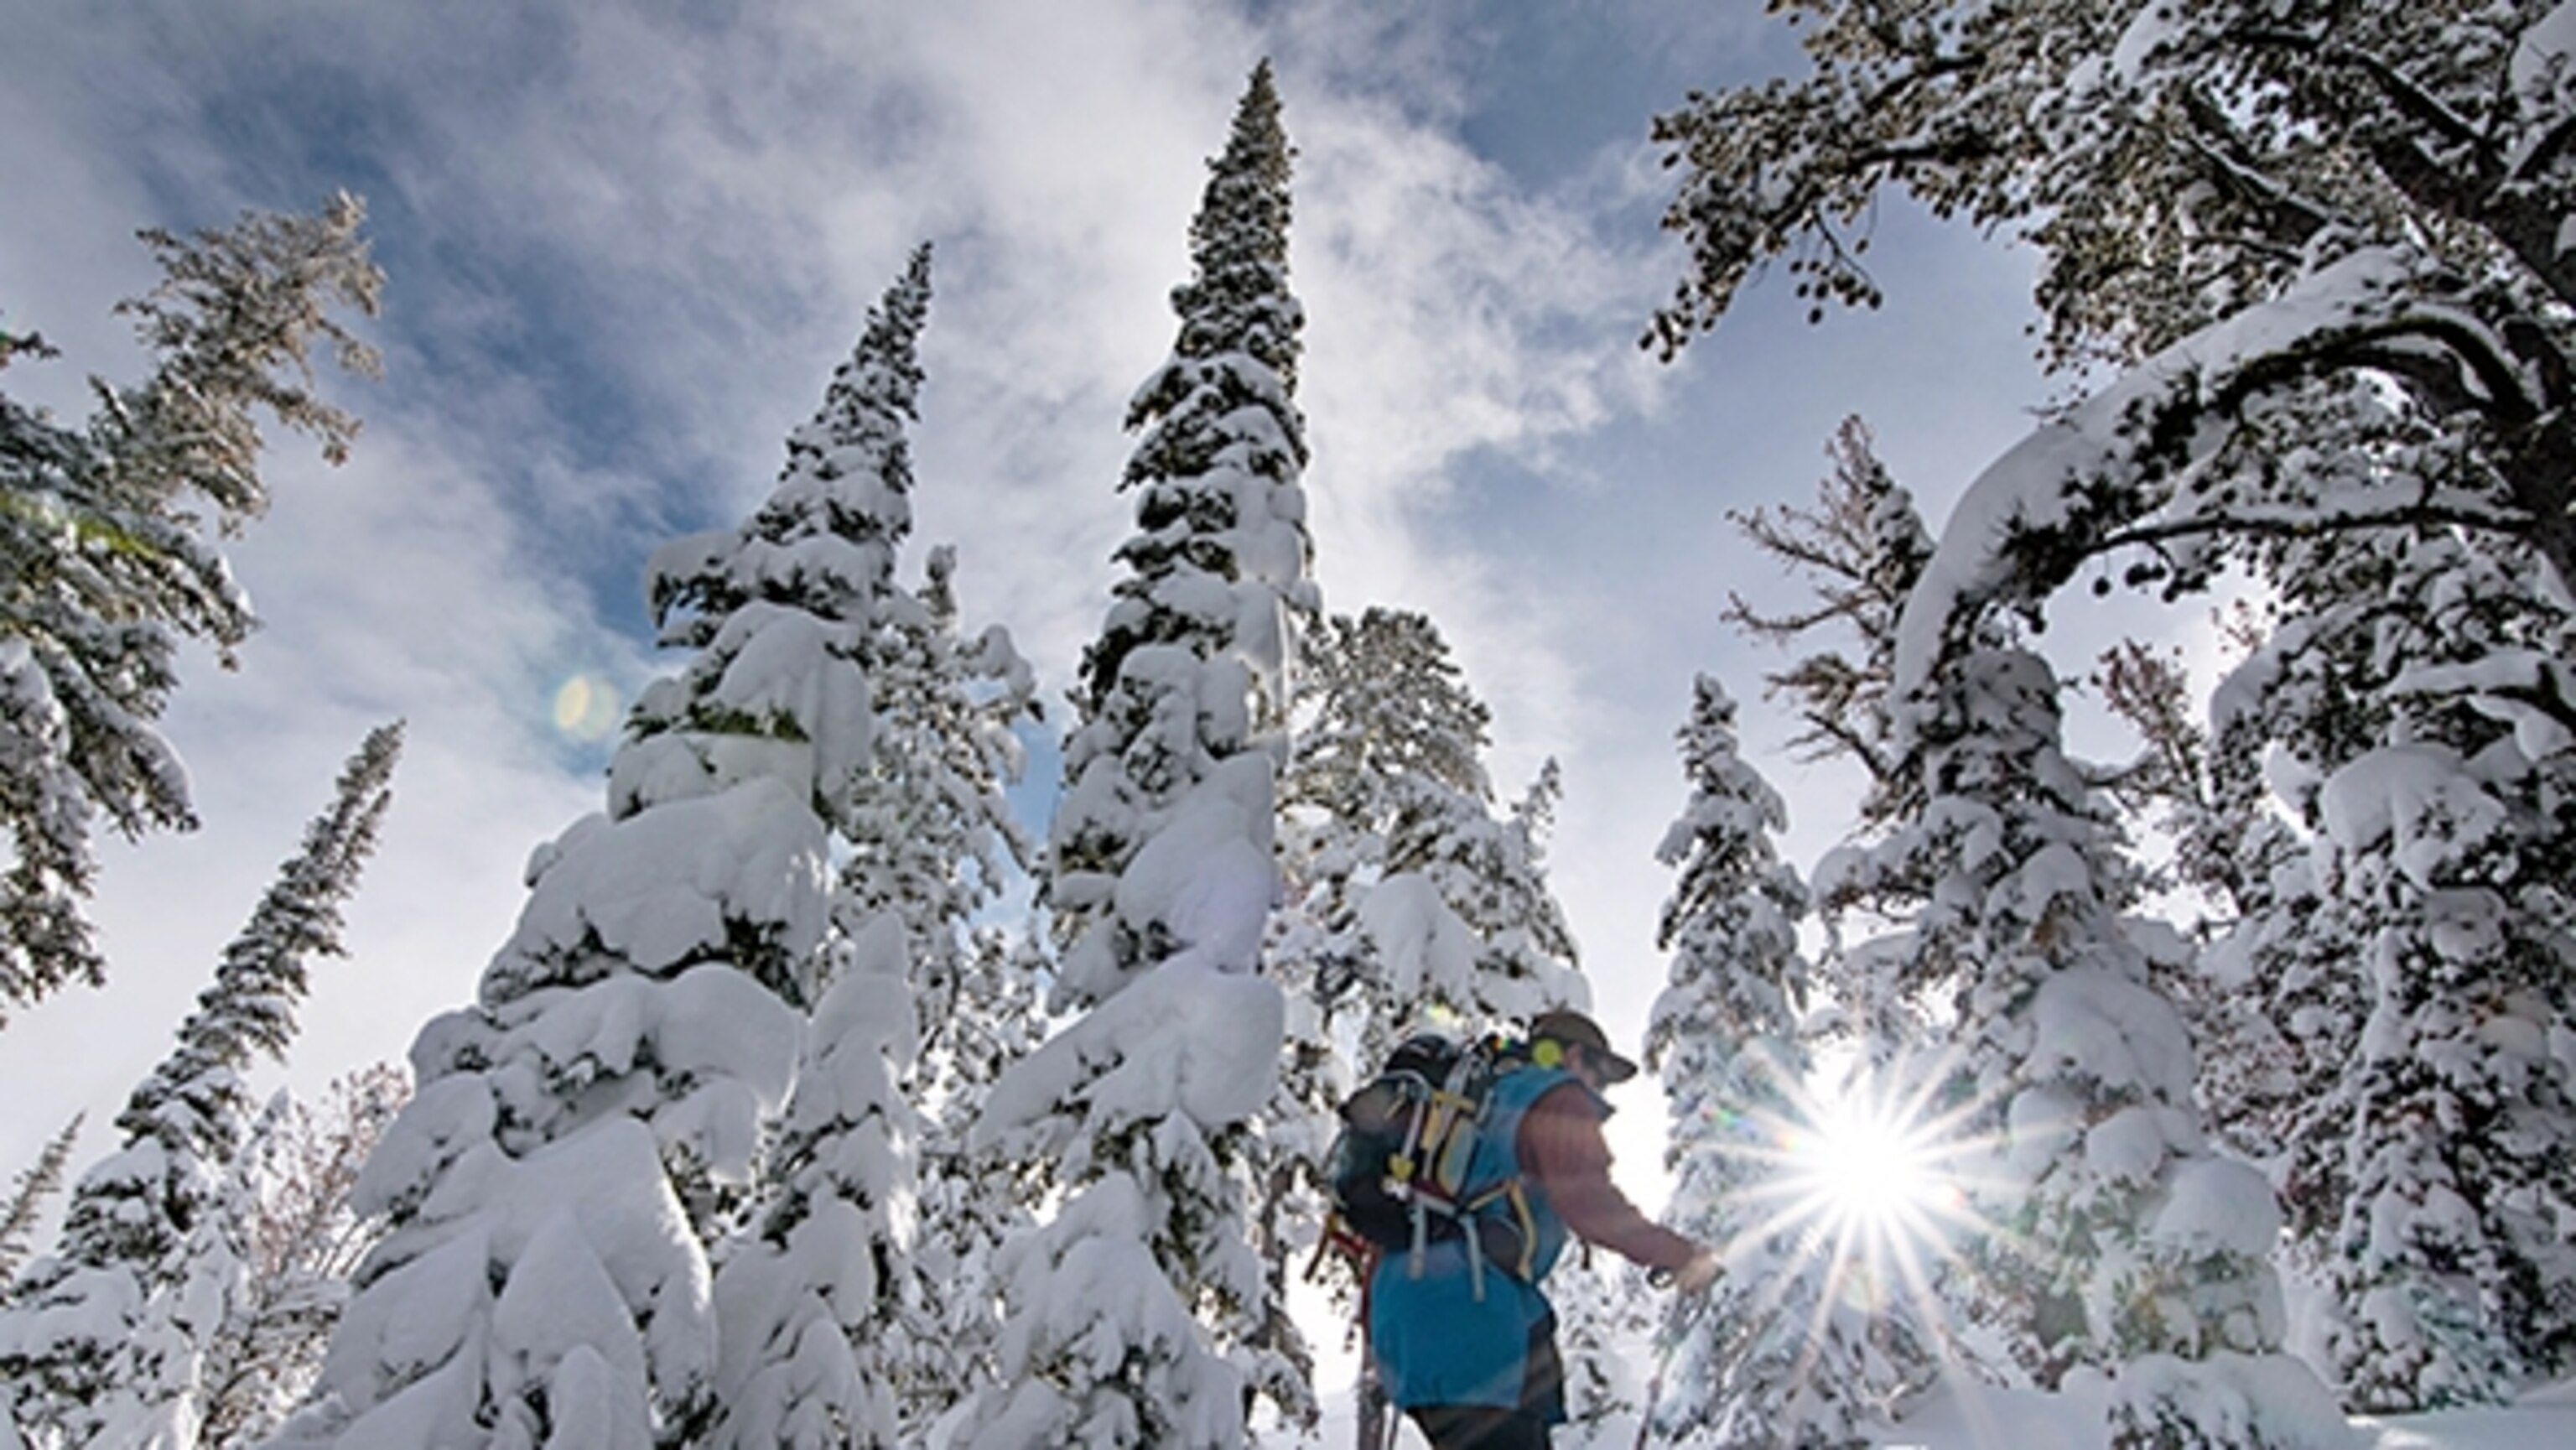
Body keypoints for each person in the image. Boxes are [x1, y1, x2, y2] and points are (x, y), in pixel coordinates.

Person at [1367, 1009, 1722, 1449]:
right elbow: (1590, 1204)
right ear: (1574, 1057)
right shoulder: (1554, 1097)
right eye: (1601, 1074)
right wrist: (1680, 1255)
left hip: (1407, 1319)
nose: (1600, 1089)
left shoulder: (1482, 1098)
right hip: (1474, 1321)